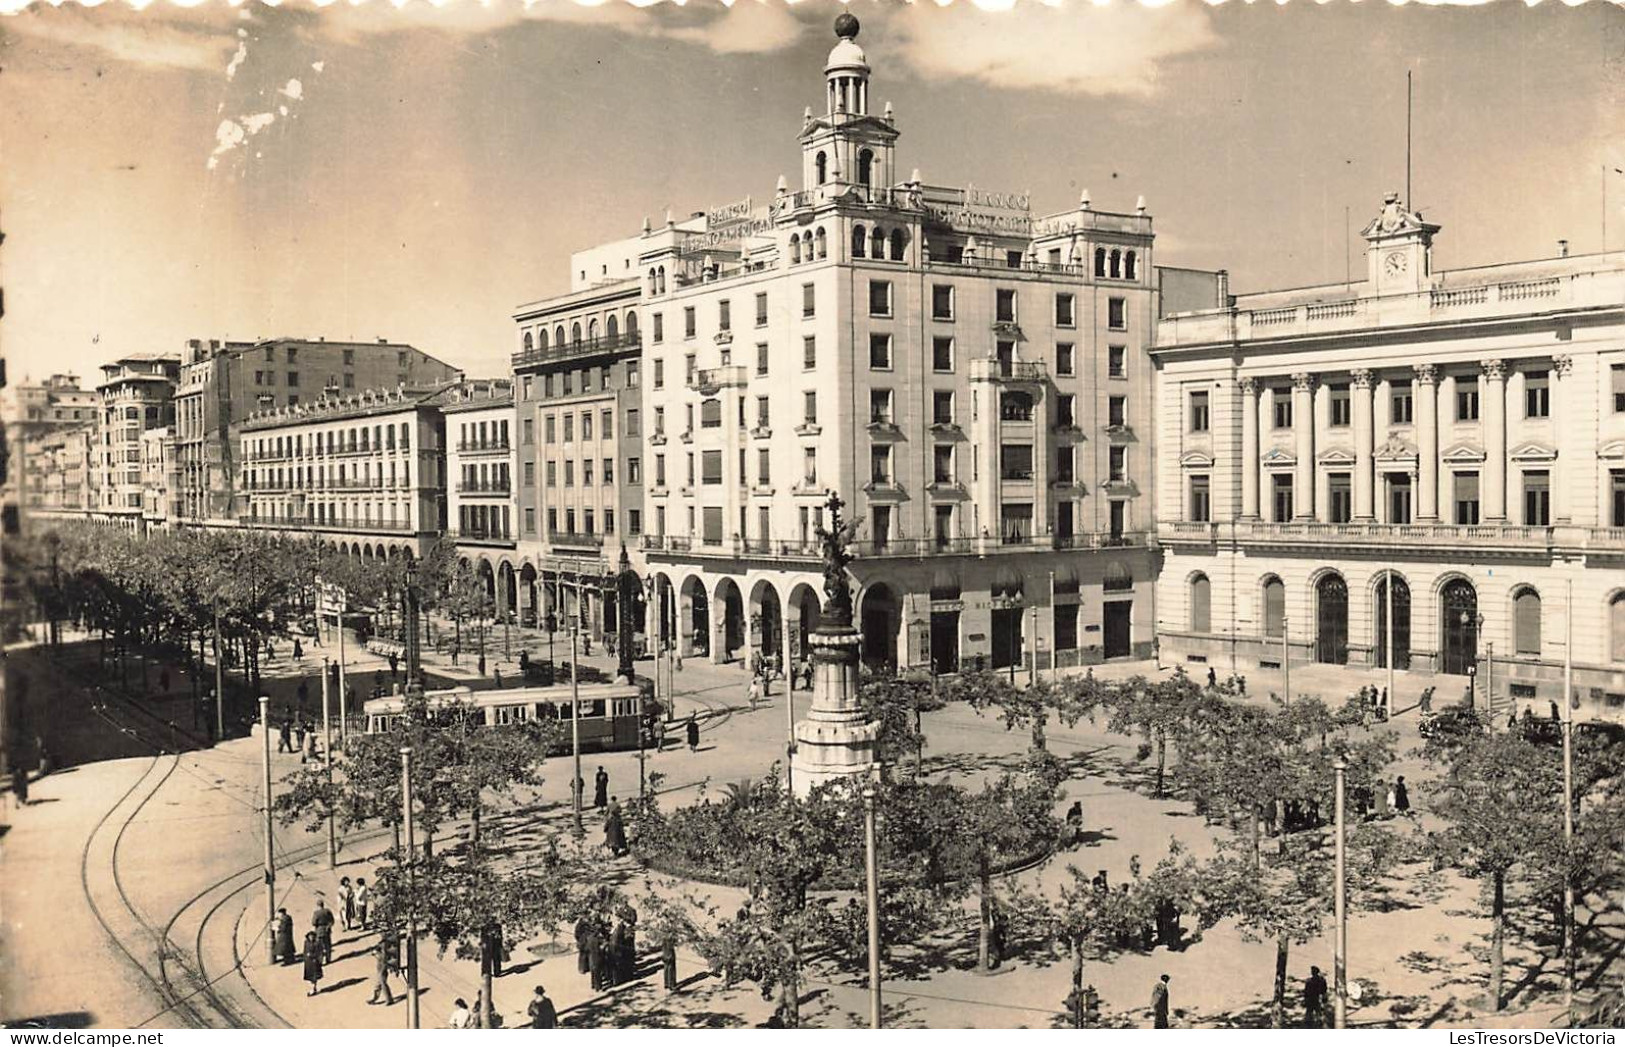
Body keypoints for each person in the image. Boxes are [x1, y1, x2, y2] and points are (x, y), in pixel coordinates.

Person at [369, 936, 398, 1006]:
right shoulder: (383, 944)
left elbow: (384, 957)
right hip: (380, 967)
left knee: (382, 983)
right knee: (378, 984)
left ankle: (389, 999)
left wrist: (376, 953)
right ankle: (375, 998)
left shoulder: (385, 945)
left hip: (383, 967)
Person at [313, 899, 336, 963]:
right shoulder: (328, 911)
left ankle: (321, 960)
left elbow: (313, 922)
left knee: (320, 947)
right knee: (328, 945)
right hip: (327, 930)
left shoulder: (316, 913)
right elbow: (332, 921)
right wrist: (328, 926)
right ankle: (328, 959)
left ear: (318, 905)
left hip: (319, 931)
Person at [303, 931, 325, 995]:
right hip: (308, 963)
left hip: (315, 962)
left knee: (314, 977)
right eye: (310, 936)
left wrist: (313, 956)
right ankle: (313, 988)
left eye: (312, 936)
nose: (311, 937)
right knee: (310, 977)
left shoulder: (317, 943)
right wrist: (305, 958)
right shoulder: (306, 943)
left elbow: (320, 953)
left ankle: (313, 989)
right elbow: (304, 951)